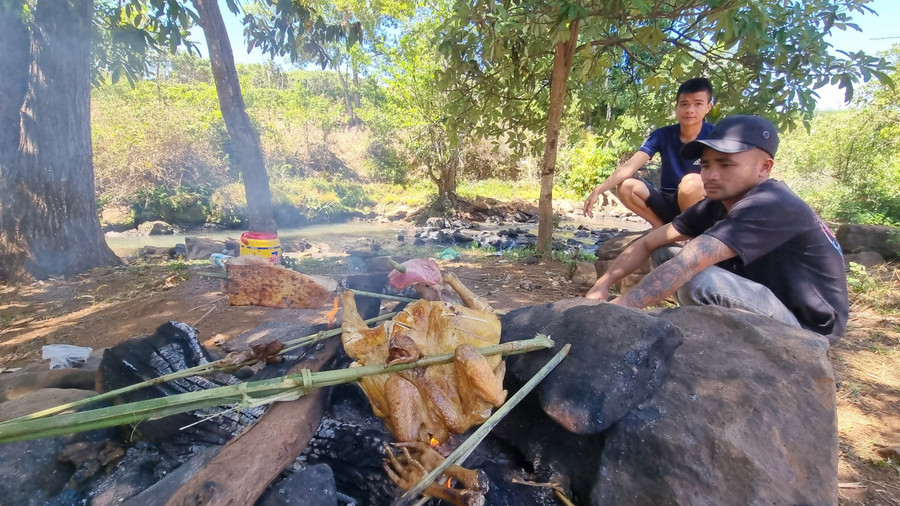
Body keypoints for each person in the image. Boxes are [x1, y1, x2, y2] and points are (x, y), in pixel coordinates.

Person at [585, 115, 849, 344]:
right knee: (666, 252)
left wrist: (619, 308)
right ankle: (714, 337)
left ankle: (718, 348)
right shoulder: (717, 203)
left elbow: (690, 262)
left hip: (808, 328)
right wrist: (603, 284)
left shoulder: (771, 204)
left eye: (726, 164)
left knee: (696, 279)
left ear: (764, 167)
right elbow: (648, 243)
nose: (710, 175)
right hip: (766, 297)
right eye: (706, 164)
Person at [583, 77, 715, 228]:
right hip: (667, 200)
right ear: (676, 106)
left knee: (692, 182)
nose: (690, 110)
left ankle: (687, 231)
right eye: (684, 104)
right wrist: (598, 190)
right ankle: (660, 228)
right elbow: (629, 167)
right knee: (627, 186)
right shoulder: (661, 135)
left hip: (700, 206)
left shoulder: (717, 136)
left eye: (698, 104)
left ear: (708, 107)